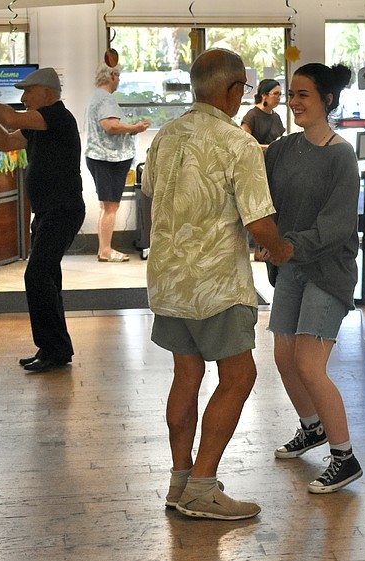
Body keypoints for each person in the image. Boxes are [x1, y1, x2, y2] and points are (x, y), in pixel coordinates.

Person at [143, 48, 293, 521]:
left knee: (186, 375)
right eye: (243, 89)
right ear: (232, 92)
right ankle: (204, 486)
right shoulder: (237, 144)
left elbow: (150, 191)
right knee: (240, 375)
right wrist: (284, 251)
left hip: (168, 279)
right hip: (215, 285)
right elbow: (260, 221)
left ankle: (180, 479)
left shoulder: (166, 136)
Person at [261, 63, 363, 493]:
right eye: (292, 94)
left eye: (304, 94)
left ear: (328, 101)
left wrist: (287, 246)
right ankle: (312, 427)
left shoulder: (342, 155)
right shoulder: (282, 149)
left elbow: (335, 225)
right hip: (291, 266)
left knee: (308, 363)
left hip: (327, 270)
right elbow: (260, 199)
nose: (295, 102)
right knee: (284, 358)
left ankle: (345, 457)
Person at [0, 67, 85, 373]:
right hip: (48, 211)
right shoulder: (39, 122)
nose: (23, 98)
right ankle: (55, 349)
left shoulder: (57, 116)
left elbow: (12, 119)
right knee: (47, 279)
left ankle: (53, 349)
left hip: (62, 209)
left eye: (28, 92)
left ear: (46, 92)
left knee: (37, 277)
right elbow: (5, 143)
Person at [84, 62, 150, 262]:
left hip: (101, 157)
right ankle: (106, 250)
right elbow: (110, 126)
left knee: (106, 206)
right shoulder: (104, 98)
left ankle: (104, 249)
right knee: (111, 206)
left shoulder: (96, 96)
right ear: (111, 75)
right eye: (118, 76)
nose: (119, 80)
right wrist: (135, 128)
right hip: (108, 159)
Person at [240, 78, 285, 147]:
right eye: (275, 94)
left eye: (280, 94)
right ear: (264, 95)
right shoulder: (252, 116)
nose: (278, 97)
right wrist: (268, 147)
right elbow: (244, 144)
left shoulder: (276, 117)